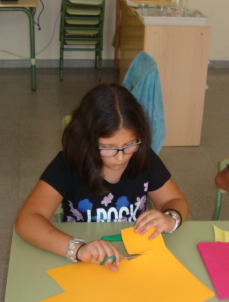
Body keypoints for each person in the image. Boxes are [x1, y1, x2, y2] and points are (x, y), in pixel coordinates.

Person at [15, 83, 189, 270]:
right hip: (86, 259)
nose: (120, 157)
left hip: (133, 257)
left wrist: (170, 218)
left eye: (130, 144)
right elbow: (27, 221)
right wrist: (79, 249)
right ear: (86, 139)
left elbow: (175, 200)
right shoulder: (68, 163)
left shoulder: (144, 157)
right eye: (108, 148)